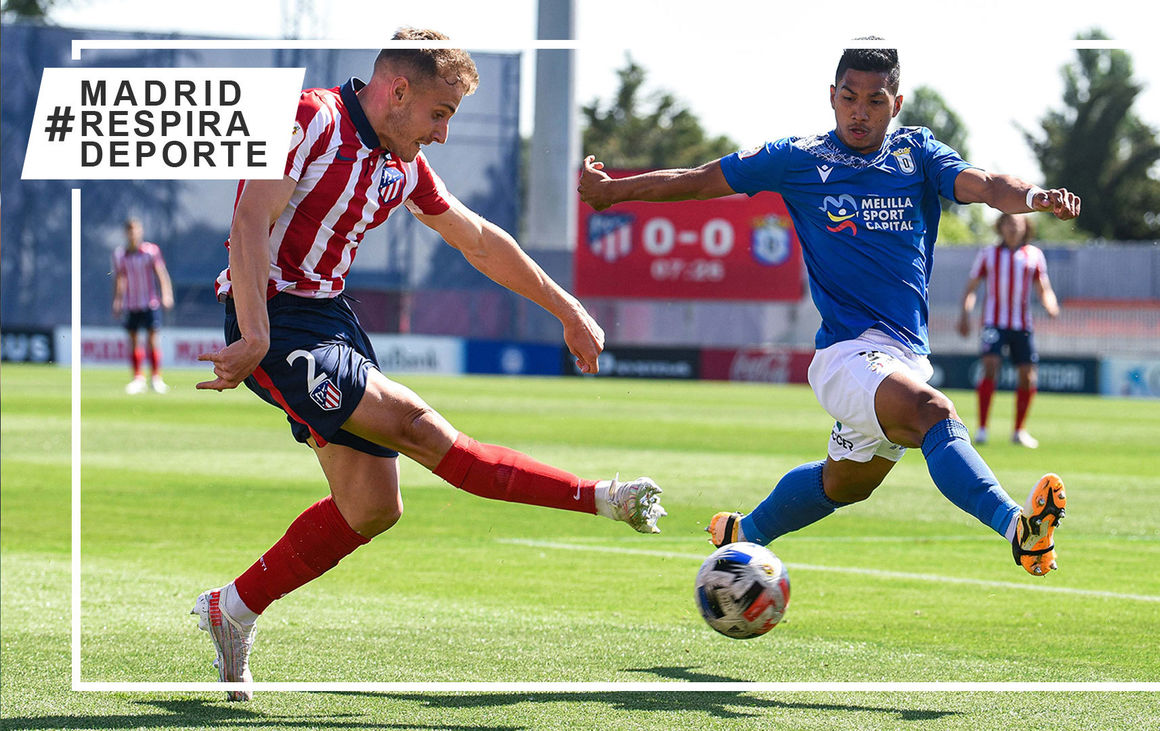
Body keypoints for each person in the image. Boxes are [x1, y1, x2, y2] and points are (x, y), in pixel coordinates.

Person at [191, 28, 665, 701]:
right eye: (439, 115)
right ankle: (602, 496)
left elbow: (477, 240)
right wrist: (258, 333)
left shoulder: (400, 163)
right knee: (416, 424)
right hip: (272, 316)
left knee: (372, 507)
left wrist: (568, 309)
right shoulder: (307, 118)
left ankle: (232, 607)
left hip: (328, 320)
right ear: (398, 90)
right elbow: (249, 221)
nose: (442, 134)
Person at [579, 42, 1076, 583]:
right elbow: (700, 180)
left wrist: (1036, 197)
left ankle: (743, 533)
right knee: (934, 414)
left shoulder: (920, 154)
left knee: (845, 485)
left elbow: (983, 185)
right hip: (846, 356)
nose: (860, 111)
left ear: (897, 103)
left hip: (905, 356)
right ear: (831, 98)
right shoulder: (799, 157)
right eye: (849, 98)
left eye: (875, 100)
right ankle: (1019, 531)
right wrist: (613, 193)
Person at [957, 213, 1060, 448]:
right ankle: (982, 428)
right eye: (1009, 224)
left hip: (1022, 324)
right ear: (1001, 227)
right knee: (991, 366)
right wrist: (964, 314)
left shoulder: (1034, 255)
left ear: (1026, 228)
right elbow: (971, 288)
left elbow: (1044, 288)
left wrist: (1051, 305)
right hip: (994, 322)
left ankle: (1019, 430)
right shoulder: (988, 254)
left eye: (1018, 224)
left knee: (1027, 375)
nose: (1013, 228)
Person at [111, 217, 174, 394]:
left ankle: (156, 378)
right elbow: (119, 279)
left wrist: (166, 294)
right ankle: (138, 378)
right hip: (131, 303)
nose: (133, 233)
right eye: (130, 230)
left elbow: (161, 273)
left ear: (140, 232)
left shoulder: (150, 251)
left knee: (152, 339)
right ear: (126, 233)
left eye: (136, 229)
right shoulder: (120, 255)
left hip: (150, 302)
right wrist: (117, 300)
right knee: (133, 339)